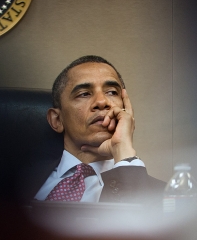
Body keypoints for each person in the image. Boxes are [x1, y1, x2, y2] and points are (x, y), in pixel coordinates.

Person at [33, 55, 165, 206]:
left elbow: (137, 220)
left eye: (112, 92)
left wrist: (122, 150)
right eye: (84, 94)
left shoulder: (164, 197)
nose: (102, 102)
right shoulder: (16, 183)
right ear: (57, 120)